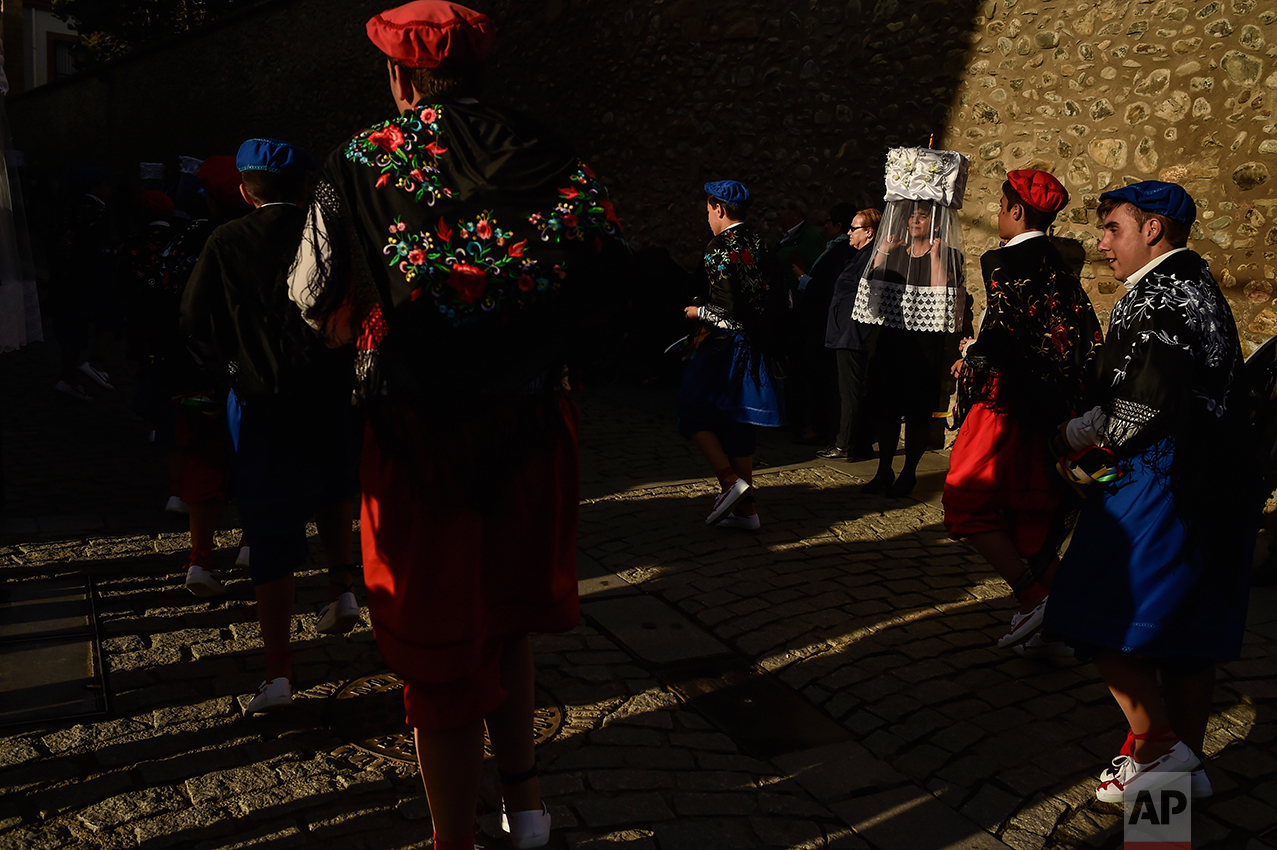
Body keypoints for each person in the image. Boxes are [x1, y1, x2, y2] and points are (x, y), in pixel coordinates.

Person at [286, 4, 627, 848]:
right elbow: (605, 277)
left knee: (440, 650)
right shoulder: (555, 150)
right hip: (533, 428)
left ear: (400, 76)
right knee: (506, 618)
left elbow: (312, 297)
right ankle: (529, 806)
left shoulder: (361, 159)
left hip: (418, 438)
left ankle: (453, 841)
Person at [1044, 181, 1254, 802]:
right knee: (1182, 644)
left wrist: (1074, 441)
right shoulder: (1200, 288)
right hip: (1213, 487)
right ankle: (1170, 808)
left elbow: (1141, 402)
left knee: (1092, 609)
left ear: (1153, 230)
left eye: (1113, 229)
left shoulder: (1159, 294)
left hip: (1158, 481)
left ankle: (1160, 747)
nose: (1103, 243)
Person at [181, 139, 360, 714]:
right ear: (303, 186)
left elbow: (192, 318)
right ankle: (341, 588)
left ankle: (279, 672)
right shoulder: (330, 238)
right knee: (334, 489)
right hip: (330, 391)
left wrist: (228, 366)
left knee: (271, 533)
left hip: (261, 402)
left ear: (243, 189)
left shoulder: (225, 240)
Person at [941, 170, 1101, 648]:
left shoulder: (1006, 261)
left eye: (1000, 205)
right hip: (1056, 410)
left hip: (1007, 407)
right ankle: (1057, 616)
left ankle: (1034, 597)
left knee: (965, 503)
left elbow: (1004, 333)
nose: (996, 215)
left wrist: (972, 357)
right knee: (1027, 514)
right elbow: (1083, 338)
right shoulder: (1062, 262)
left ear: (1016, 211)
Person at [678, 180, 787, 530]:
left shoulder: (719, 248)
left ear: (720, 209)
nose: (708, 218)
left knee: (691, 409)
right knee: (738, 422)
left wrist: (696, 313)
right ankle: (747, 510)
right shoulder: (760, 243)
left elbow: (726, 311)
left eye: (709, 211)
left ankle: (729, 484)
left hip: (726, 346)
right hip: (757, 344)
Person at [856, 196, 972, 497]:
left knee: (918, 410)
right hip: (893, 340)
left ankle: (908, 473)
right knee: (887, 407)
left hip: (923, 346)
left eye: (921, 217)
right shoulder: (897, 253)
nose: (914, 221)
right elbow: (873, 286)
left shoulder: (949, 256)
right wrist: (882, 251)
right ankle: (884, 470)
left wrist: (934, 257)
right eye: (912, 217)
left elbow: (939, 301)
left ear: (934, 223)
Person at [790, 203, 857, 445]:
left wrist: (803, 279)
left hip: (825, 323)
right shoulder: (833, 249)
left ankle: (822, 428)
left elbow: (829, 287)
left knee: (823, 378)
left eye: (828, 222)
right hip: (819, 322)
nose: (825, 227)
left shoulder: (842, 252)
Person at [819, 207, 881, 461]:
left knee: (851, 391)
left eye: (854, 228)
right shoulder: (858, 255)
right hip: (845, 330)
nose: (848, 233)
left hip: (853, 332)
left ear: (868, 232)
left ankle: (846, 443)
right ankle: (852, 441)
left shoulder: (870, 257)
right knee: (850, 390)